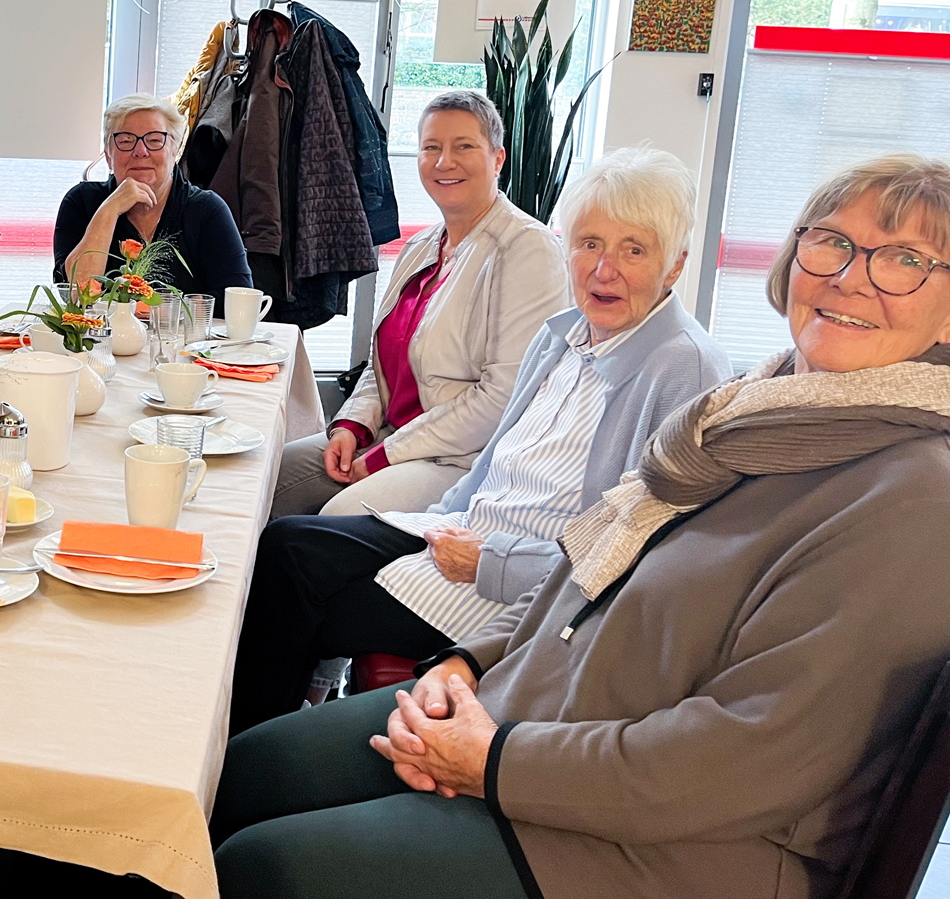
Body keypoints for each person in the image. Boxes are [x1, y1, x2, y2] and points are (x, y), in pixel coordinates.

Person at [213, 153, 950, 899]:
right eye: (832, 242)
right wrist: (469, 662)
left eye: (908, 260)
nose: (851, 277)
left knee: (261, 867)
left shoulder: (912, 493)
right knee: (251, 770)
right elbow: (595, 570)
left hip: (659, 846)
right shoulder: (750, 414)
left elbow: (744, 761)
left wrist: (492, 761)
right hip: (547, 707)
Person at [228, 146, 732, 733]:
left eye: (634, 250)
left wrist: (489, 561)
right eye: (590, 243)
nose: (603, 269)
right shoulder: (564, 333)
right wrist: (433, 524)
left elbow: (639, 559)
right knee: (287, 542)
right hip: (466, 533)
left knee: (294, 597)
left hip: (523, 593)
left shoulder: (684, 370)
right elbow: (498, 462)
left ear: (674, 266)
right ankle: (238, 746)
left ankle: (240, 762)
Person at [272, 90, 569, 518]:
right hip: (392, 435)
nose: (444, 161)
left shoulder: (526, 249)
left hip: (462, 459)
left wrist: (385, 454)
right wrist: (353, 426)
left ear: (498, 157)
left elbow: (503, 396)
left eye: (464, 146)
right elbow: (383, 365)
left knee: (336, 520)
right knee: (261, 479)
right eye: (432, 147)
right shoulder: (420, 247)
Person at [53, 93, 252, 312]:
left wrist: (151, 309)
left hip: (185, 344)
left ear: (175, 151)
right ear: (108, 156)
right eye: (126, 141)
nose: (141, 151)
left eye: (155, 140)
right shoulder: (81, 202)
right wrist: (108, 211)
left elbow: (237, 301)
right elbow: (75, 295)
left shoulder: (207, 209)